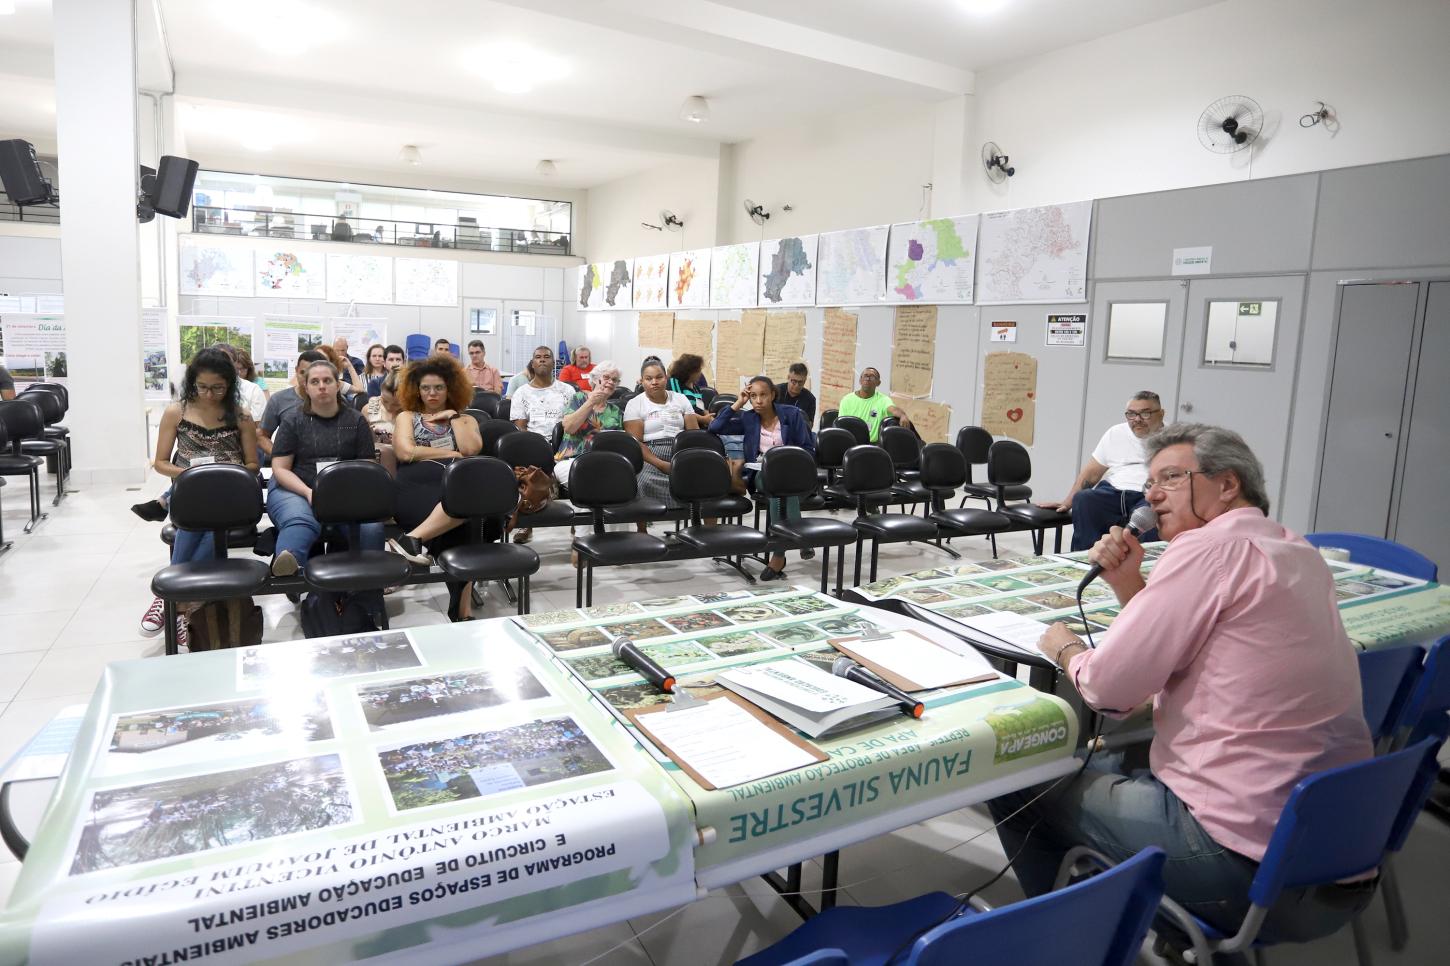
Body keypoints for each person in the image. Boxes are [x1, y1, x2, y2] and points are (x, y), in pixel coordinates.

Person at [987, 423, 1374, 954]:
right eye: (1149, 482)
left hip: (1244, 871)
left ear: (1227, 485)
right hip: (1336, 856)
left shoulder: (1205, 551)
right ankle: (1163, 933)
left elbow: (1111, 693)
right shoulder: (1295, 550)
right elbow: (1200, 650)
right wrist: (1131, 589)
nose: (1151, 495)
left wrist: (1066, 650)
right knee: (1119, 760)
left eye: (1170, 477)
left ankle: (1077, 942)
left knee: (1020, 777)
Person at [138, 349, 260, 644]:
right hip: (191, 490)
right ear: (193, 383)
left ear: (230, 384)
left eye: (218, 387)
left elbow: (254, 464)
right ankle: (187, 607)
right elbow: (161, 462)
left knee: (203, 522)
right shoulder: (176, 412)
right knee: (199, 523)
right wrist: (193, 477)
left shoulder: (241, 415)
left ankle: (174, 598)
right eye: (202, 387)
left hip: (229, 491)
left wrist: (229, 473)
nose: (209, 394)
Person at [384, 356, 483, 620]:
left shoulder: (465, 419)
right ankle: (462, 611)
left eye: (439, 387)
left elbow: (471, 450)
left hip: (455, 484)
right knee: (467, 517)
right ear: (416, 389)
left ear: (450, 388)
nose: (432, 393)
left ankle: (413, 539)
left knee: (468, 519)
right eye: (426, 387)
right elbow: (405, 453)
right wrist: (451, 453)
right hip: (415, 485)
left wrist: (453, 418)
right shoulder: (407, 416)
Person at [266, 359, 384, 579]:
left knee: (371, 528)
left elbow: (367, 467)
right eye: (315, 381)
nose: (322, 386)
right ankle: (289, 564)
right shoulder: (293, 420)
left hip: (344, 490)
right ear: (306, 388)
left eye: (327, 380)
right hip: (294, 487)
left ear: (337, 385)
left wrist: (339, 494)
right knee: (301, 521)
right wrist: (308, 492)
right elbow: (281, 469)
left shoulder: (355, 420)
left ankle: (369, 593)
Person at [710, 375, 814, 580]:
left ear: (773, 395)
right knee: (776, 488)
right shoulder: (747, 418)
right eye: (753, 396)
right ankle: (798, 541)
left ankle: (778, 553)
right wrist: (738, 402)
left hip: (791, 471)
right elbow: (715, 428)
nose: (758, 401)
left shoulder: (791, 415)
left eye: (763, 395)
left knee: (784, 489)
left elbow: (807, 449)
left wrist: (788, 460)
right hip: (760, 474)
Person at [1045, 391, 1164, 551]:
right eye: (1131, 414)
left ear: (1161, 414)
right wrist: (1067, 502)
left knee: (1153, 508)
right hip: (1113, 492)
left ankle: (1148, 566)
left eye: (1145, 413)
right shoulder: (1115, 433)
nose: (1137, 419)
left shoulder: (1173, 437)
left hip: (1147, 494)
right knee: (1084, 499)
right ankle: (1084, 559)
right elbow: (1092, 473)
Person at [510, 345, 574, 544]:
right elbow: (520, 429)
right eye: (538, 357)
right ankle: (526, 525)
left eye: (547, 357)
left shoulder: (567, 390)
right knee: (526, 472)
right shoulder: (521, 393)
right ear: (533, 363)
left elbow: (575, 423)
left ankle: (578, 523)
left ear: (554, 362)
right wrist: (540, 449)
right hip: (534, 447)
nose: (543, 360)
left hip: (565, 445)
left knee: (581, 468)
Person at [624, 358, 706, 513]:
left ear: (666, 379)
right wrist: (660, 464)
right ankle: (642, 531)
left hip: (681, 451)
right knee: (641, 481)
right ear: (642, 381)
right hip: (650, 455)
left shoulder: (680, 399)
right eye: (649, 379)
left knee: (704, 477)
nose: (654, 382)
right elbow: (636, 443)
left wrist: (690, 459)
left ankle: (705, 530)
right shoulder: (635, 404)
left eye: (659, 377)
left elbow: (694, 435)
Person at [553, 361, 624, 486]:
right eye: (606, 377)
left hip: (602, 463)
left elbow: (618, 442)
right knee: (594, 481)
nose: (611, 382)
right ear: (596, 379)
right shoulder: (578, 398)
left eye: (615, 380)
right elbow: (569, 428)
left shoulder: (615, 411)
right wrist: (591, 402)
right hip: (571, 460)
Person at [257, 349, 329, 457]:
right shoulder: (278, 399)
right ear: (296, 370)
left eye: (314, 375)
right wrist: (279, 457)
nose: (306, 379)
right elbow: (261, 436)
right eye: (303, 373)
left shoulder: (335, 401)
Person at [837, 367, 910, 442]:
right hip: (851, 443)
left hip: (872, 446)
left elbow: (894, 409)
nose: (868, 379)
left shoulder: (883, 400)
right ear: (860, 380)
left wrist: (903, 415)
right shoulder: (847, 400)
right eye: (865, 376)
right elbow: (841, 425)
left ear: (878, 383)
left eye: (872, 377)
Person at [363, 369, 403, 474]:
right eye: (384, 400)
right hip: (376, 466)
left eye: (396, 405)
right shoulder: (369, 409)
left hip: (405, 466)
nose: (389, 407)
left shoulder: (414, 412)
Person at [775, 362, 817, 429]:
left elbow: (809, 425)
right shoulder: (775, 392)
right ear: (788, 377)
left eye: (800, 382)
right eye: (794, 381)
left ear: (805, 381)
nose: (797, 385)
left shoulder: (810, 399)